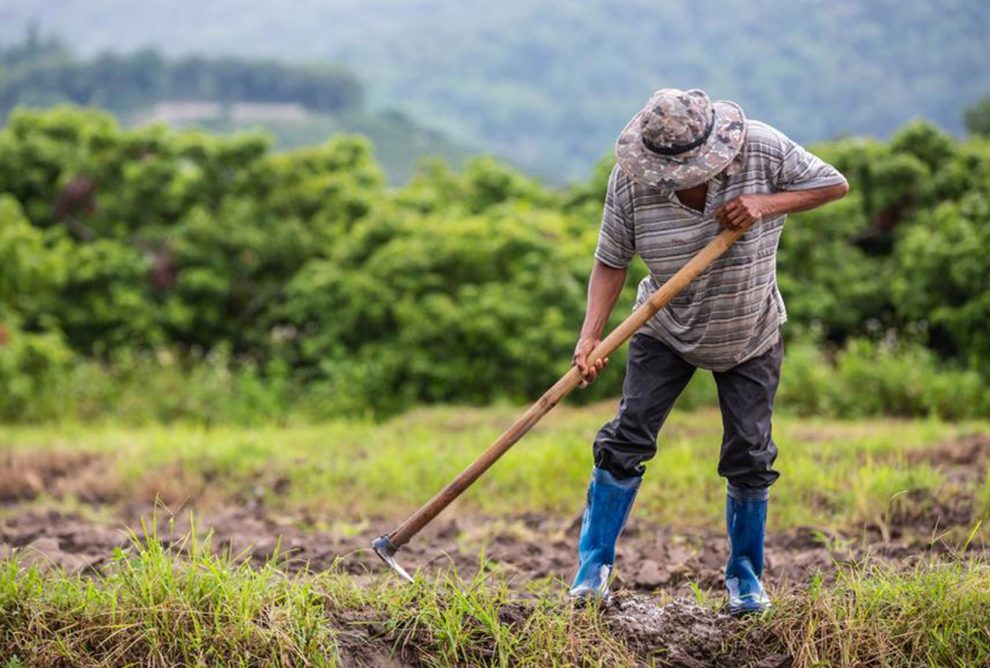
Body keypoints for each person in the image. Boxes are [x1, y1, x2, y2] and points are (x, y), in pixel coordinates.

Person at [569, 88, 848, 615]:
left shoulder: (762, 149)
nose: (676, 181)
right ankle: (592, 573)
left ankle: (745, 580)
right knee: (626, 438)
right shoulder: (631, 181)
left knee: (749, 453)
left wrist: (765, 204)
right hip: (664, 325)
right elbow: (611, 260)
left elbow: (833, 184)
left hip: (750, 329)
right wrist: (590, 337)